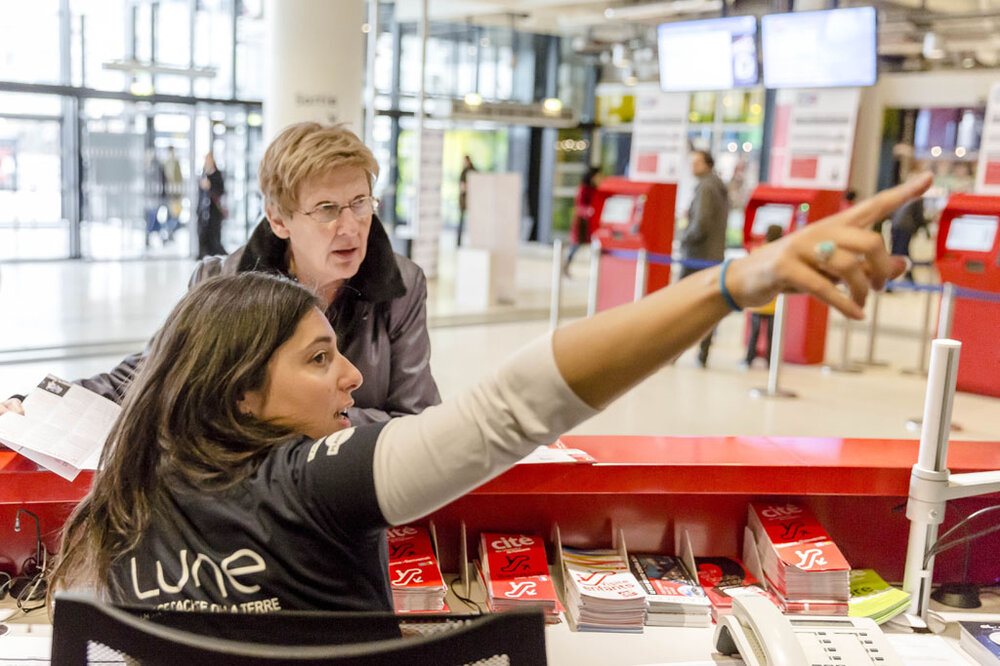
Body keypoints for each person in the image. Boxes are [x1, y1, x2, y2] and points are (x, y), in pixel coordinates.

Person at [48, 174, 932, 611]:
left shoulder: (120, 501)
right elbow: (517, 404)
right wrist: (732, 285)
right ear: (241, 398)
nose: (353, 374)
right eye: (319, 359)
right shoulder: (315, 483)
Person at [0, 123, 441, 427]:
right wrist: (42, 403)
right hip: (247, 493)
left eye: (360, 202)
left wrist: (290, 414)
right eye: (326, 209)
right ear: (279, 219)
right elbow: (151, 375)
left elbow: (418, 422)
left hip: (352, 486)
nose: (350, 226)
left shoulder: (399, 287)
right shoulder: (221, 282)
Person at [681, 150, 729, 368]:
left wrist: (685, 238)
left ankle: (672, 351)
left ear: (707, 164)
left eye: (696, 162)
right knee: (708, 305)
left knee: (681, 306)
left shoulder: (707, 187)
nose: (692, 166)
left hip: (698, 255)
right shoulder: (715, 185)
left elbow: (701, 223)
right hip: (712, 254)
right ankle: (703, 351)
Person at [743, 224, 784, 368]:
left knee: (754, 333)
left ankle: (749, 359)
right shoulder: (781, 253)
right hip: (774, 301)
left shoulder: (757, 251)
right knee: (771, 334)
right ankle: (770, 361)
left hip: (757, 301)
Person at [563, 166, 601, 278]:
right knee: (575, 246)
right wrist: (589, 211)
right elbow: (579, 206)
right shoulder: (583, 188)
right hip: (582, 224)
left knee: (595, 246)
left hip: (593, 224)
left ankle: (597, 270)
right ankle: (565, 265)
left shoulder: (595, 188)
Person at [196, 152, 227, 259]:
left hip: (214, 210)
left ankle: (217, 253)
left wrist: (210, 186)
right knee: (203, 232)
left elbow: (221, 191)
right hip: (204, 210)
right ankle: (203, 253)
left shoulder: (217, 175)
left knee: (214, 233)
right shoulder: (203, 174)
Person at [143, 148, 167, 248]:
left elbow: (159, 183)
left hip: (154, 199)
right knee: (153, 219)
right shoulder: (145, 169)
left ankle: (154, 236)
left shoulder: (156, 168)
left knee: (154, 219)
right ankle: (156, 237)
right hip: (148, 200)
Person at [162, 146, 183, 242]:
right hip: (168, 193)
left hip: (176, 193)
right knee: (170, 214)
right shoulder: (165, 164)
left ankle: (170, 231)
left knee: (175, 214)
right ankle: (168, 232)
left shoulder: (176, 163)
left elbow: (179, 178)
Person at [457, 155, 476, 247]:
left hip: (466, 199)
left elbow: (462, 187)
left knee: (464, 221)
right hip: (469, 199)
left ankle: (460, 242)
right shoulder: (473, 171)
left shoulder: (466, 172)